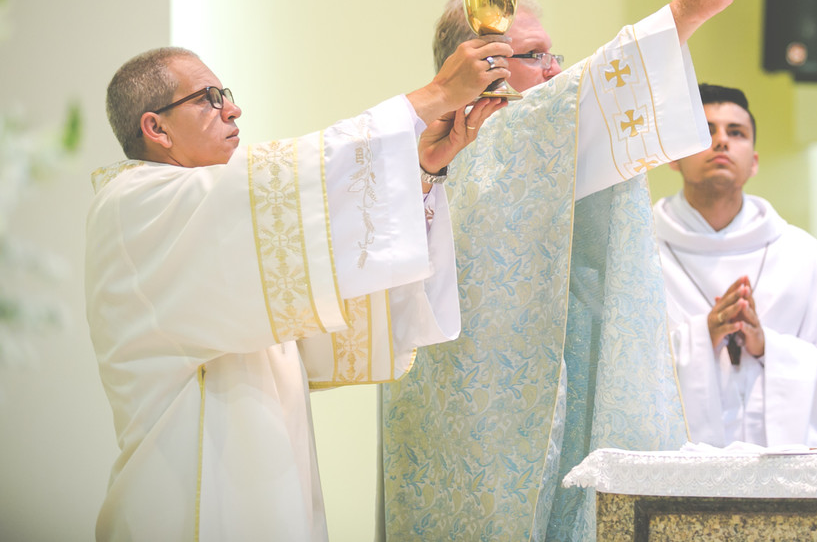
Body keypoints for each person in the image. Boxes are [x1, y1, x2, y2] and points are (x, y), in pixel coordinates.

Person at [381, 0, 750, 541]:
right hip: (465, 419)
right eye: (534, 56)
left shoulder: (526, 140)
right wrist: (687, 10)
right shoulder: (438, 148)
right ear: (476, 66)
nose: (555, 71)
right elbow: (584, 93)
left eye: (554, 55)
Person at [84, 39, 510, 541]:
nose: (232, 109)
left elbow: (335, 291)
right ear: (156, 128)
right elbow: (295, 177)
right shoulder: (133, 205)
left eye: (226, 94)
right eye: (209, 98)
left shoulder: (228, 237)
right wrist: (437, 95)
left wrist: (420, 171)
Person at [654, 83, 817, 448]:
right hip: (677, 467)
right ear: (674, 156)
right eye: (705, 130)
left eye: (736, 132)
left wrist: (768, 346)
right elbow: (619, 377)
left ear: (753, 161)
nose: (721, 141)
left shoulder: (802, 255)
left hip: (780, 470)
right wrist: (703, 336)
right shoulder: (643, 252)